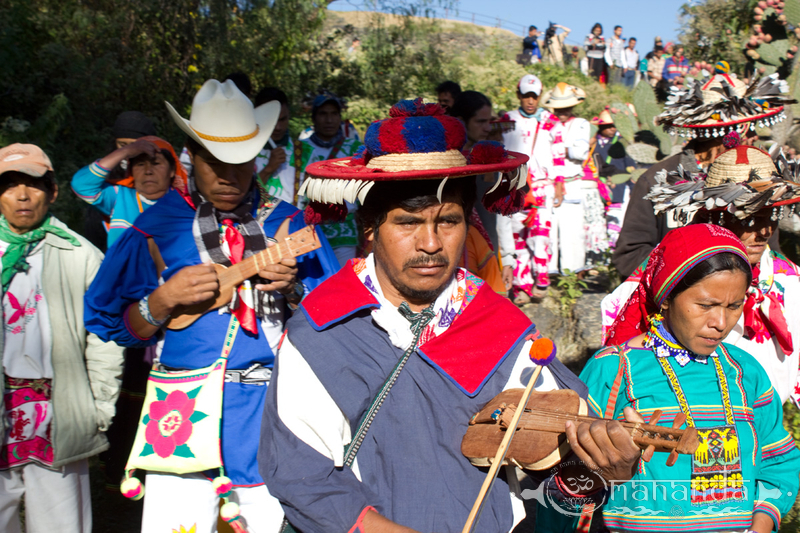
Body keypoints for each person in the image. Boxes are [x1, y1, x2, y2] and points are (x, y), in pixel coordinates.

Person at [260, 98, 644, 533]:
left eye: (448, 221)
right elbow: (302, 476)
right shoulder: (324, 329)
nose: (430, 243)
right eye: (407, 223)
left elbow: (554, 483)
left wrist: (606, 466)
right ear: (370, 226)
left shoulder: (502, 328)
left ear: (469, 222)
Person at [84, 79, 339, 532]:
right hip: (179, 414)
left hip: (270, 411)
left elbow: (337, 323)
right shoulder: (156, 226)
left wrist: (294, 290)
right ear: (190, 155)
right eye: (213, 161)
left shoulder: (288, 223)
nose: (228, 176)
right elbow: (112, 322)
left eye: (240, 162)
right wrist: (161, 302)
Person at [589, 224, 800, 532]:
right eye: (705, 305)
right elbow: (566, 478)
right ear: (665, 297)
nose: (720, 323)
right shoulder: (616, 370)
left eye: (734, 305)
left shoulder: (746, 371)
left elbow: (777, 461)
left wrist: (762, 523)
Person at [605, 144, 800, 406]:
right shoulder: (668, 273)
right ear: (718, 215)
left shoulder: (788, 279)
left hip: (764, 420)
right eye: (751, 218)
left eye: (771, 216)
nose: (765, 232)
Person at [0, 143, 123, 533]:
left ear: (52, 191)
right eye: (10, 185)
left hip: (59, 412)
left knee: (60, 524)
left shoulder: (80, 255)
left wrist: (99, 407)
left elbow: (104, 336)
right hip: (4, 407)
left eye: (33, 184)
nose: (22, 195)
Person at [612, 69, 793, 278]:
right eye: (748, 127)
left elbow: (770, 249)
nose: (753, 136)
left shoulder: (759, 177)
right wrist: (691, 279)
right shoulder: (657, 180)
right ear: (725, 134)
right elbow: (630, 255)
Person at [502, 74, 566, 302]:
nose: (530, 101)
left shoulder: (551, 122)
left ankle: (542, 279)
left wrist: (559, 185)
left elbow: (559, 156)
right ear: (518, 95)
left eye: (534, 96)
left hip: (543, 187)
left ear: (539, 97)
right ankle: (521, 285)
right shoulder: (506, 120)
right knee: (517, 236)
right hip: (514, 185)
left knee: (540, 237)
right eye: (526, 95)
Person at [71, 137, 186, 248]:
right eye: (140, 164)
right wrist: (126, 151)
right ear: (131, 172)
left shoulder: (184, 205)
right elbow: (81, 185)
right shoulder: (120, 197)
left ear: (172, 171)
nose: (148, 171)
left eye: (156, 163)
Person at [542, 83, 608, 272]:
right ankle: (548, 272)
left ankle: (572, 272)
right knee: (549, 230)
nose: (563, 111)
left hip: (572, 183)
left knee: (572, 231)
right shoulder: (548, 125)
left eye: (566, 107)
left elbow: (580, 152)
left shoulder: (581, 124)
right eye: (559, 107)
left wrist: (557, 148)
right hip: (550, 183)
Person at [449, 91, 508, 294]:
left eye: (489, 121)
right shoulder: (442, 163)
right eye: (480, 121)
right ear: (460, 121)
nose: (487, 128)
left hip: (488, 253)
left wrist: (508, 256)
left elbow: (500, 210)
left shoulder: (488, 159)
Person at [297, 91, 363, 267]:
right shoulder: (300, 150)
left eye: (334, 114)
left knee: (344, 283)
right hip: (310, 228)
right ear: (314, 118)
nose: (329, 120)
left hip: (345, 229)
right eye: (323, 114)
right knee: (314, 285)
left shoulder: (354, 148)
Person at [254, 87, 296, 204]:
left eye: (283, 119)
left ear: (289, 115)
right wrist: (268, 169)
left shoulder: (305, 151)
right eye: (272, 120)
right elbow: (241, 194)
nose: (278, 127)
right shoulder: (244, 152)